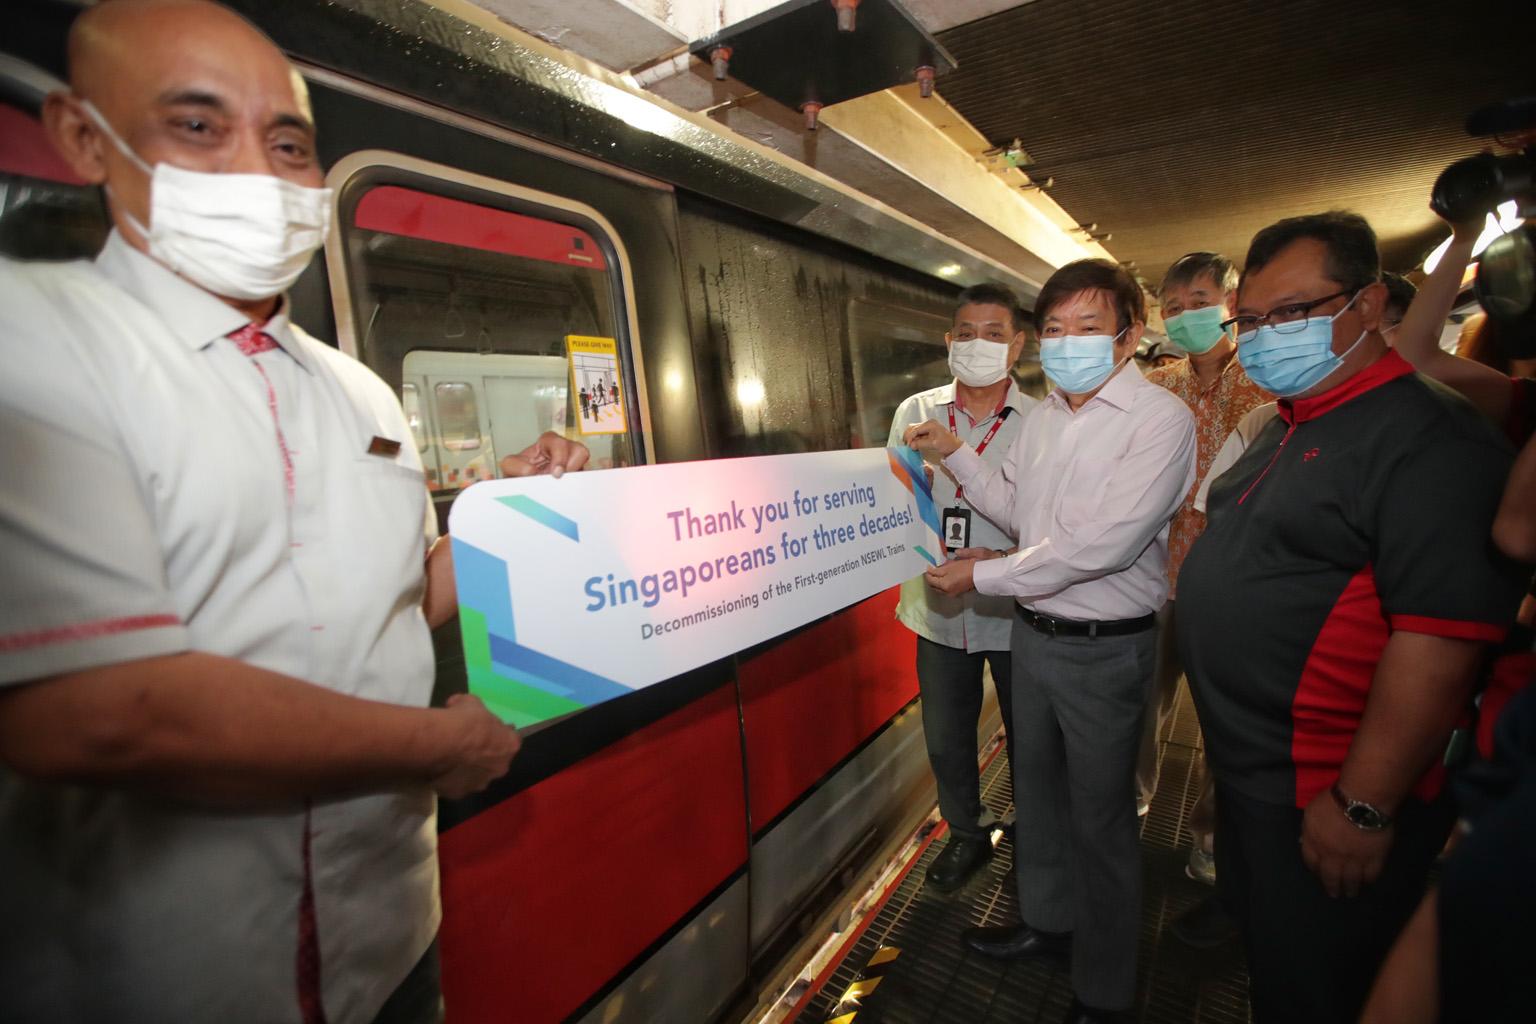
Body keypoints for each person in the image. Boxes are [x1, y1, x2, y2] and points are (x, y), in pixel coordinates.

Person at [0, 3, 586, 1022]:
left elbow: (400, 599)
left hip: (391, 937)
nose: (260, 177)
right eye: (198, 127)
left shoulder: (356, 391)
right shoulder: (33, 345)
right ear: (83, 138)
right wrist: (436, 748)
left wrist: (503, 510)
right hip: (168, 974)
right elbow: (96, 713)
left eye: (288, 144)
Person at [1177, 211, 1523, 1024]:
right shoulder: (1295, 420)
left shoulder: (1429, 440)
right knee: (1276, 971)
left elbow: (1436, 643)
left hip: (1325, 795)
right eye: (1252, 320)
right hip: (1256, 781)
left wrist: (1364, 804)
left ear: (1367, 306)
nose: (1267, 336)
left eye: (1293, 313)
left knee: (1321, 989)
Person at [907, 259, 1195, 1024]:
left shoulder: (1159, 422)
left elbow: (1099, 545)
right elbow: (1018, 510)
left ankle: (1103, 993)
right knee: (1035, 793)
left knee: (1099, 821)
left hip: (1104, 646)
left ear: (1129, 337)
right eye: (1057, 330)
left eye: (1089, 329)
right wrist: (961, 464)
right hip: (1034, 637)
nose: (1069, 344)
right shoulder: (1046, 420)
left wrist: (987, 579)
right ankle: (1048, 922)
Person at [886, 284, 1036, 892]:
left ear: (1018, 345)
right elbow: (894, 497)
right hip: (937, 607)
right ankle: (966, 836)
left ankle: (1036, 836)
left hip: (1016, 609)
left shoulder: (1044, 421)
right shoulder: (914, 411)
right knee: (948, 741)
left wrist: (1003, 557)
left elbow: (1052, 519)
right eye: (967, 334)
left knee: (1032, 738)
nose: (979, 345)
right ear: (949, 342)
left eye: (994, 334)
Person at [1134, 253, 1271, 849]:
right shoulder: (1156, 388)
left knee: (1229, 722)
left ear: (1231, 306)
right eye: (1173, 308)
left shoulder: (1269, 384)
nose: (1185, 316)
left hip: (1242, 586)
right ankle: (1131, 808)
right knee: (1142, 708)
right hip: (1157, 577)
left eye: (1198, 303)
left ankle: (1212, 839)